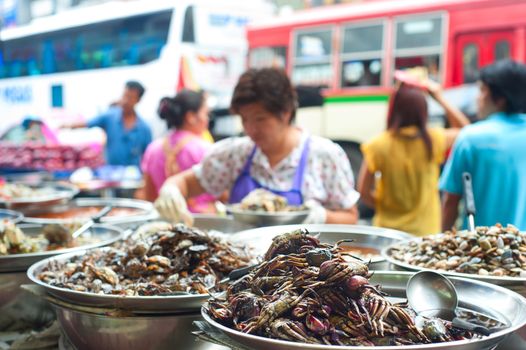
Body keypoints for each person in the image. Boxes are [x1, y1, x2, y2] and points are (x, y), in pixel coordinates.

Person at [154, 67, 360, 225]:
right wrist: (171, 188)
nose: (251, 129)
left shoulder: (324, 155)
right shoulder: (236, 154)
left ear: (285, 112)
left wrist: (321, 216)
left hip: (302, 275)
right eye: (244, 119)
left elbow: (351, 217)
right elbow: (187, 183)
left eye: (260, 119)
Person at [357, 80, 470, 236]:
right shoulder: (433, 139)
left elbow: (364, 191)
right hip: (425, 233)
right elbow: (467, 132)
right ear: (423, 111)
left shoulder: (378, 145)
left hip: (388, 232)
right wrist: (440, 98)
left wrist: (385, 206)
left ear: (393, 109)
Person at [440, 60, 526, 230]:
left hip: (478, 251)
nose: (477, 98)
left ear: (500, 99)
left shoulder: (471, 138)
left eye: (482, 91)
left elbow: (451, 202)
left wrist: (442, 244)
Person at [137, 89, 216, 213]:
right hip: (204, 222)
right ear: (190, 117)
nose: (207, 119)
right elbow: (223, 193)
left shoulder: (153, 148)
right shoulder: (205, 148)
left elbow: (149, 196)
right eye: (205, 113)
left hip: (166, 223)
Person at [66, 81, 152, 167]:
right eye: (125, 96)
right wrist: (66, 125)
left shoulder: (144, 129)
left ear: (138, 100)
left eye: (130, 97)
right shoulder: (109, 117)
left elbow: (148, 158)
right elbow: (88, 123)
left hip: (134, 176)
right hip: (110, 173)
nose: (125, 101)